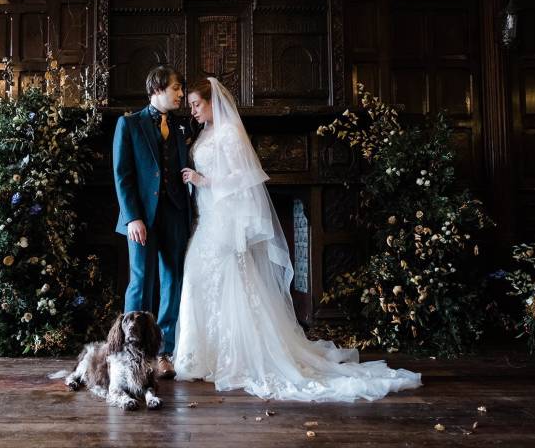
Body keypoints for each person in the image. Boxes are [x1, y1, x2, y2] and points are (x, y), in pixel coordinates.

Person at [173, 77, 422, 401]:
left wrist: (203, 180)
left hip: (225, 220)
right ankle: (201, 356)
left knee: (228, 283)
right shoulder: (205, 132)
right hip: (209, 218)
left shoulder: (230, 133)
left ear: (212, 102)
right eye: (190, 104)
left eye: (196, 104)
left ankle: (232, 357)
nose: (192, 110)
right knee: (199, 278)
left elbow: (244, 178)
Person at [112, 65, 192, 379]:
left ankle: (164, 353)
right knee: (140, 282)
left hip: (175, 213)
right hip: (142, 218)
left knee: (173, 281)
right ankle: (133, 354)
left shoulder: (183, 127)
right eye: (176, 88)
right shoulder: (129, 124)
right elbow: (123, 176)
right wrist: (132, 217)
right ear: (157, 88)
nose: (181, 94)